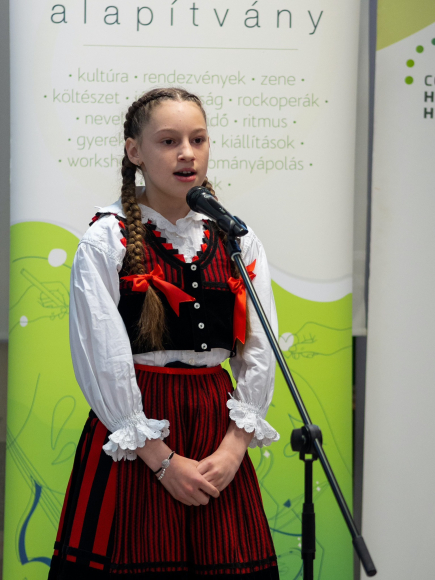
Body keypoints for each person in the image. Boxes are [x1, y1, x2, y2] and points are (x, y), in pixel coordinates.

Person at [48, 87, 280, 579]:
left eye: (198, 139)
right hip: (138, 429)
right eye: (169, 141)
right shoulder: (106, 239)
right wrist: (161, 460)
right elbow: (102, 356)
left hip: (215, 427)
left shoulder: (236, 238)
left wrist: (234, 448)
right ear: (135, 151)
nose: (187, 153)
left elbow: (260, 348)